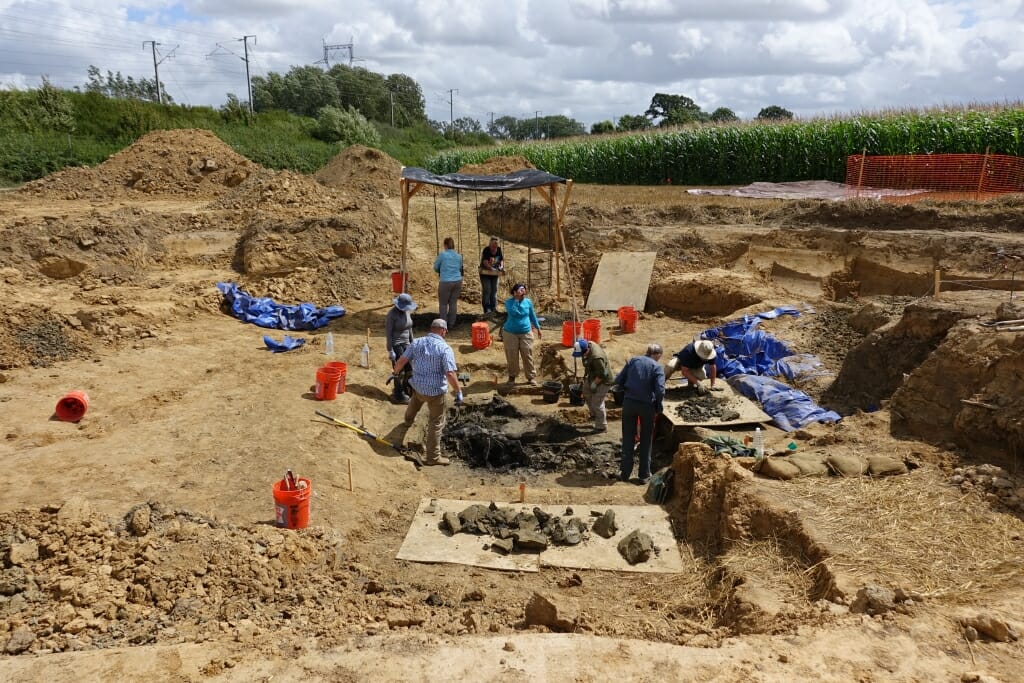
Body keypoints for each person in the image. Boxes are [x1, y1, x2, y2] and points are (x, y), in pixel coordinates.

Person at [391, 319, 464, 466]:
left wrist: (395, 372)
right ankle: (433, 458)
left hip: (418, 386)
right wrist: (458, 391)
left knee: (415, 401)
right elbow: (450, 373)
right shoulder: (445, 349)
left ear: (432, 329)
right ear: (443, 331)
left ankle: (407, 421)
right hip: (435, 392)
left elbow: (402, 360)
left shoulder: (417, 342)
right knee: (436, 423)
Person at [614, 344, 665, 484]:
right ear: (657, 355)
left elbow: (618, 381)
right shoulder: (657, 367)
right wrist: (658, 406)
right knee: (646, 440)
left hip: (629, 404)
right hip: (647, 406)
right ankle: (643, 475)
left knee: (628, 438)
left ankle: (624, 473)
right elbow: (660, 390)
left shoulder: (633, 361)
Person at [502, 282, 541, 385]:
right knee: (512, 355)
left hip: (526, 332)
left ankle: (531, 377)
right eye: (520, 290)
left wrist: (538, 328)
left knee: (527, 354)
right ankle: (512, 376)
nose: (522, 291)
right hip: (510, 332)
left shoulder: (528, 302)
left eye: (523, 289)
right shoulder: (509, 302)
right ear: (514, 292)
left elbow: (532, 315)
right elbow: (513, 313)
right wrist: (516, 300)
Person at [573, 338, 614, 433]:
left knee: (597, 402)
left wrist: (594, 384)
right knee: (586, 391)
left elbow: (602, 374)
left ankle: (602, 426)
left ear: (586, 350)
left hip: (604, 380)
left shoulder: (596, 357)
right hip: (593, 375)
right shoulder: (588, 344)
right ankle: (595, 415)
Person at [385, 292, 417, 404]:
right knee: (399, 370)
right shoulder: (391, 315)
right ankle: (398, 394)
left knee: (410, 368)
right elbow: (388, 333)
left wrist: (413, 343)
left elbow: (410, 329)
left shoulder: (407, 311)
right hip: (396, 344)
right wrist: (390, 350)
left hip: (407, 343)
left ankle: (406, 389)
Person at [433, 236, 463, 329]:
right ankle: (451, 324)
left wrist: (441, 271)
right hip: (457, 281)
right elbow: (460, 267)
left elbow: (435, 267)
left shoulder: (442, 255)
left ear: (445, 245)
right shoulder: (459, 256)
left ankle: (443, 325)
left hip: (445, 281)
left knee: (443, 304)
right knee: (453, 303)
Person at [478, 236, 505, 315]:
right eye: (493, 246)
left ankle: (493, 308)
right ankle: (486, 308)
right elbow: (485, 262)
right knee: (487, 290)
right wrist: (492, 269)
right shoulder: (486, 250)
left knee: (494, 290)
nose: (494, 248)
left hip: (495, 273)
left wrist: (501, 266)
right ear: (490, 245)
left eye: (495, 246)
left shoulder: (499, 250)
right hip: (485, 273)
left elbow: (501, 260)